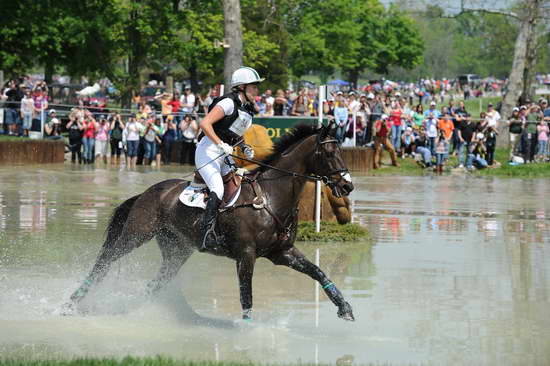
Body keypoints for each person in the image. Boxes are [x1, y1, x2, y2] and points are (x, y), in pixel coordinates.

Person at [195, 66, 262, 251]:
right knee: (217, 187)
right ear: (242, 87)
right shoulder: (228, 103)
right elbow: (205, 123)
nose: (257, 91)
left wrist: (243, 147)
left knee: (239, 184)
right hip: (208, 150)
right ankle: (206, 235)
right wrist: (219, 143)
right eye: (254, 86)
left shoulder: (247, 110)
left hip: (224, 154)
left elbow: (235, 135)